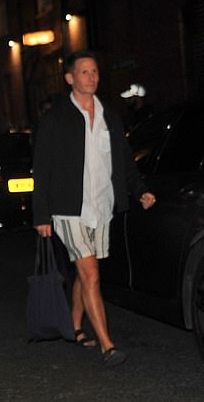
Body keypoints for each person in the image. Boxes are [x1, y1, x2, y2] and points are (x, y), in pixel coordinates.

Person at [32, 51, 156, 366]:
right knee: (90, 272)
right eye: (85, 72)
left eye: (95, 72)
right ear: (70, 78)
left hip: (102, 205)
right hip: (68, 209)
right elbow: (42, 167)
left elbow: (124, 159)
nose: (92, 77)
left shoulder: (109, 115)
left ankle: (74, 327)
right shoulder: (55, 119)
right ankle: (107, 345)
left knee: (84, 271)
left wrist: (140, 190)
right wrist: (41, 214)